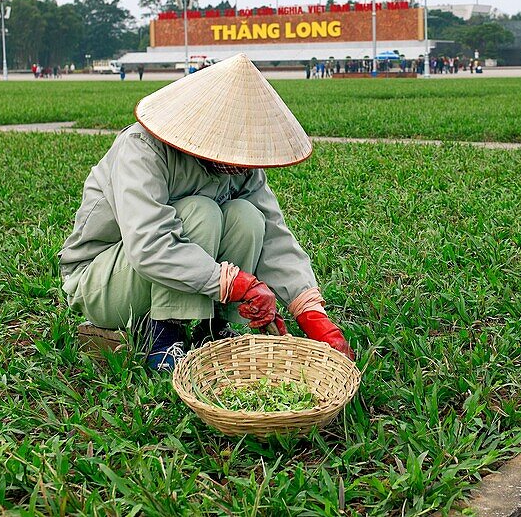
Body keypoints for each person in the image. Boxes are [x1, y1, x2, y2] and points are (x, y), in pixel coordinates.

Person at [58, 54, 353, 373]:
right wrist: (239, 284)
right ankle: (164, 333)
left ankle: (213, 329)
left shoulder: (241, 168)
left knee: (247, 216)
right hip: (100, 281)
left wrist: (310, 312)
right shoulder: (142, 149)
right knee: (201, 212)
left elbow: (274, 237)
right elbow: (149, 246)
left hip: (147, 275)